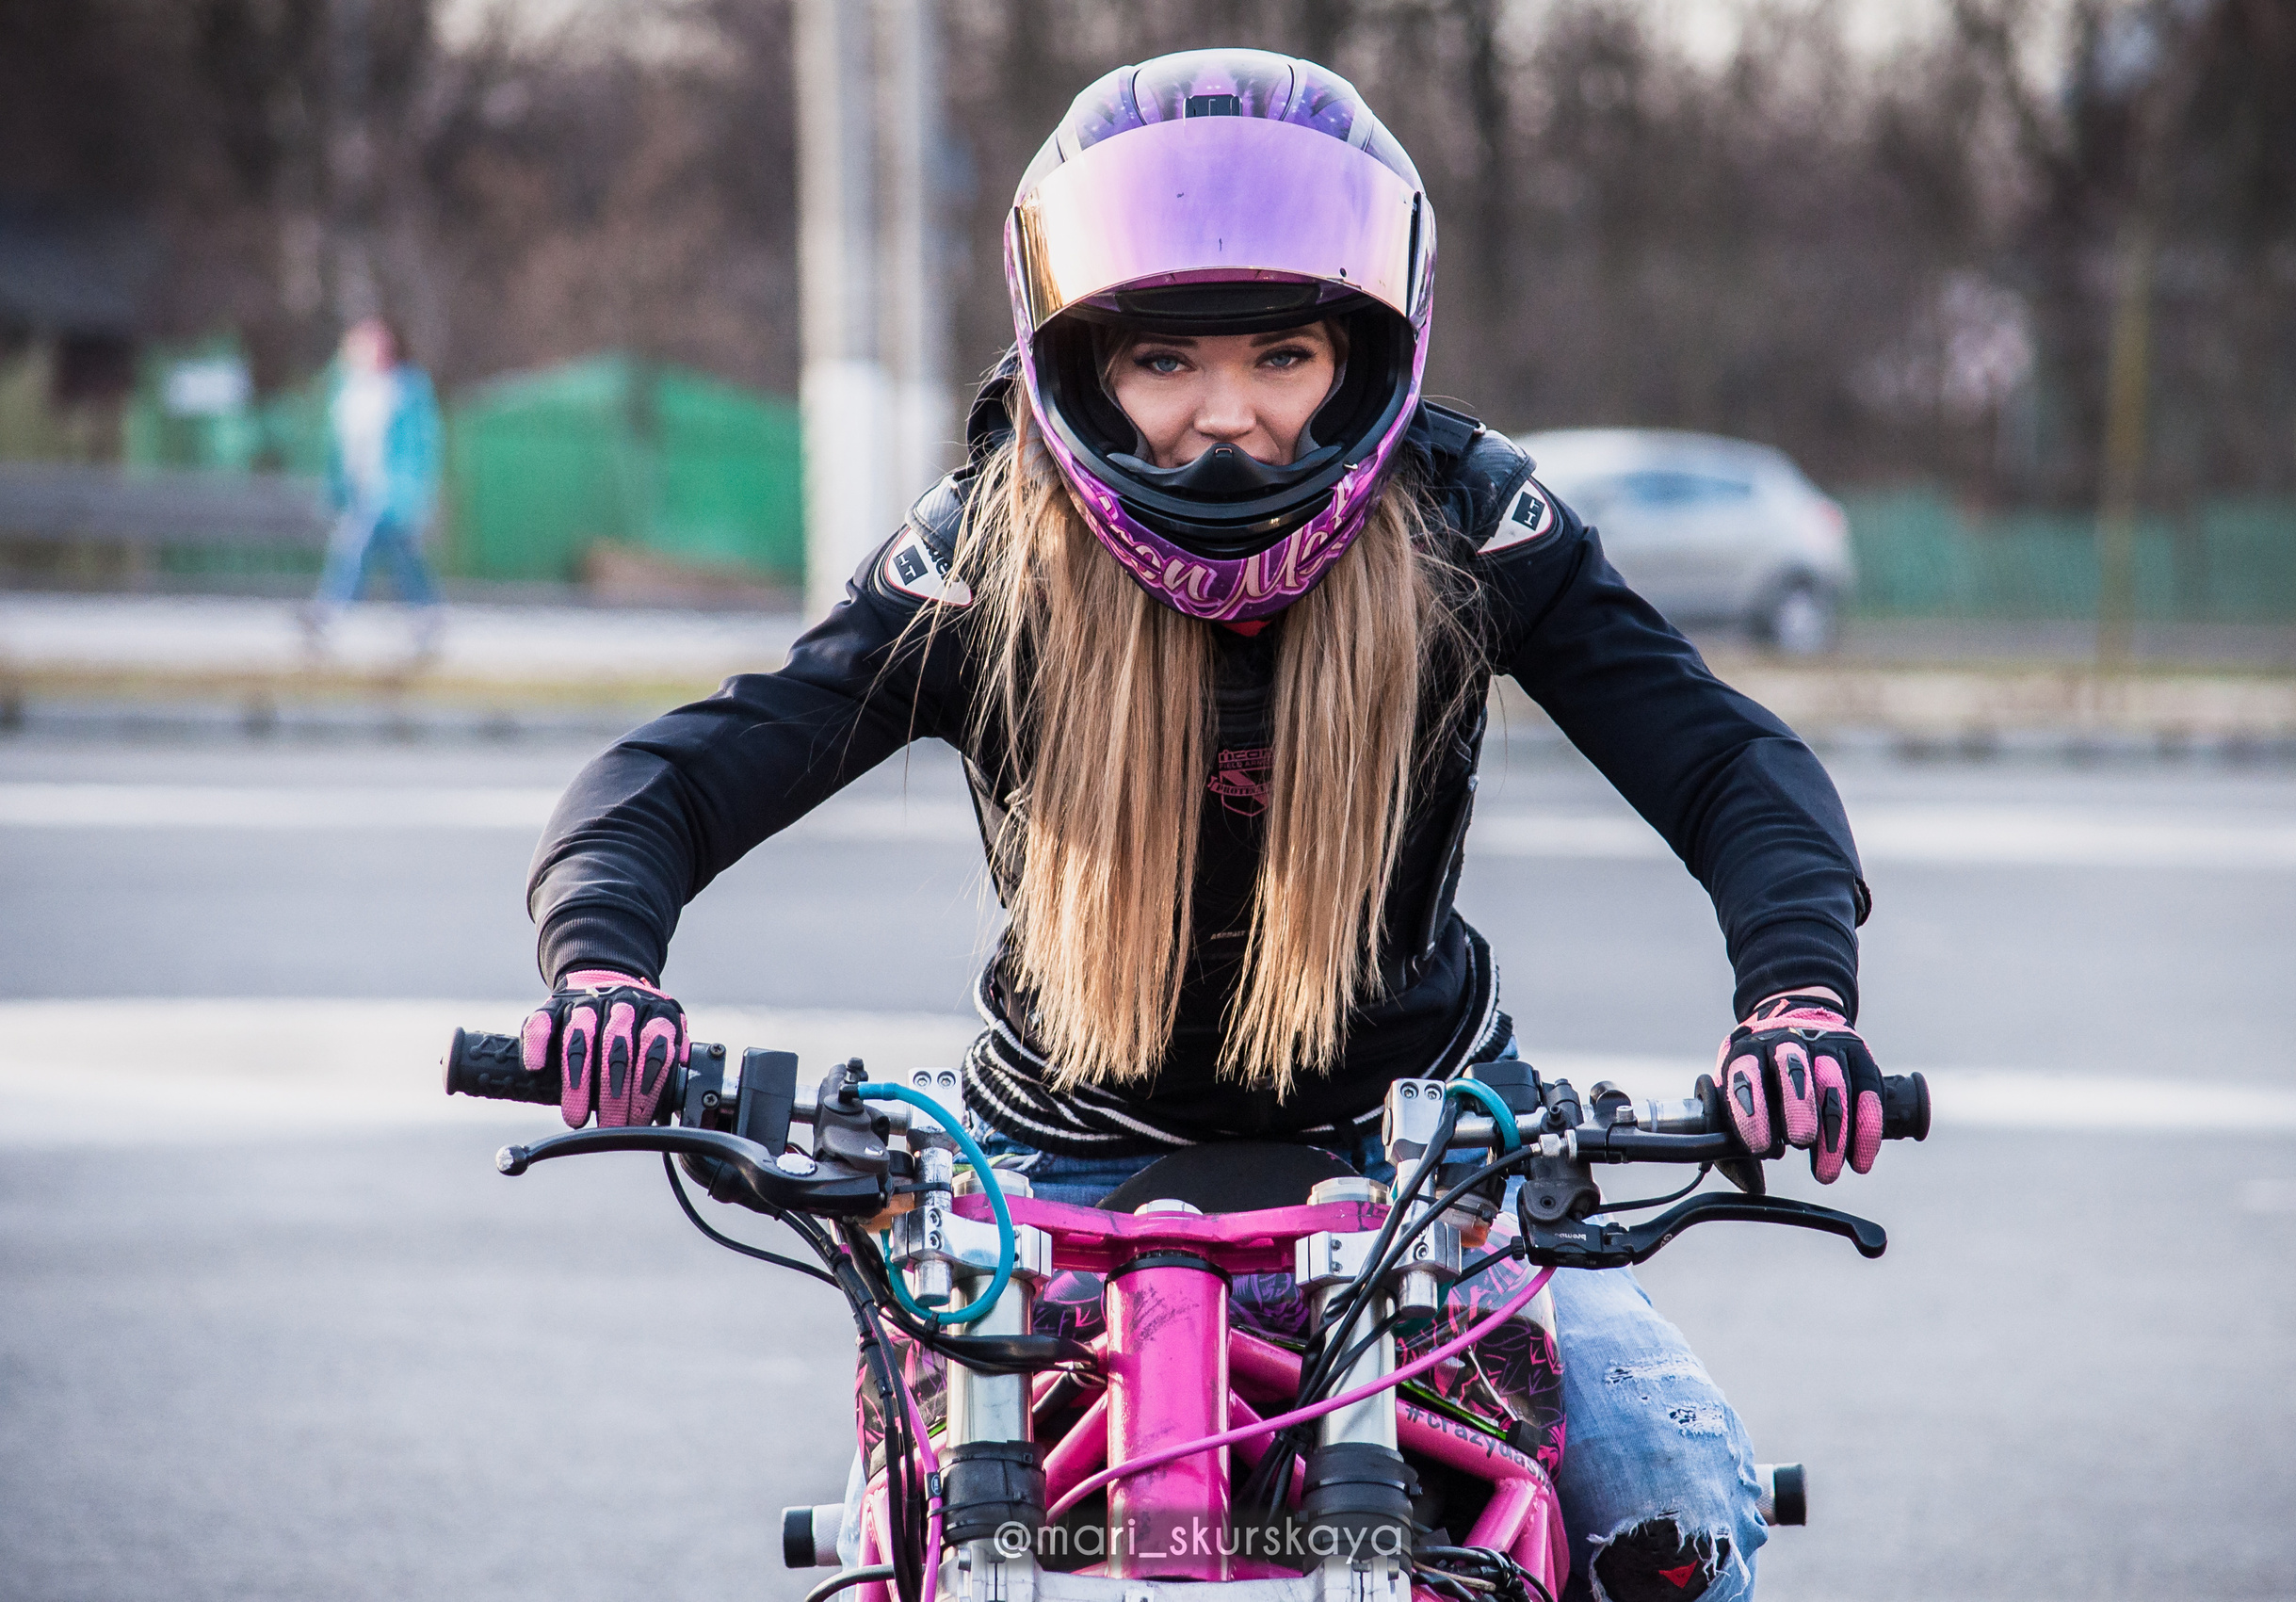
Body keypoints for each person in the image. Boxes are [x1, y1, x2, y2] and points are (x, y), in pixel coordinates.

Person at [518, 50, 1884, 1602]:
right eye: (1166, 364)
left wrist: (1796, 999)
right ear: (1082, 361)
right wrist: (603, 974)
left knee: (1674, 1508)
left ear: (1365, 355)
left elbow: (1729, 766)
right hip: (1044, 1167)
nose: (1224, 420)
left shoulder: (1466, 519)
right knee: (915, 1537)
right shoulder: (991, 553)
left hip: (1427, 1149)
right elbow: (677, 777)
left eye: (1282, 356)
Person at [303, 316, 445, 653]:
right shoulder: (348, 391)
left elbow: (422, 444)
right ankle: (428, 613)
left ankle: (328, 613)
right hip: (360, 491)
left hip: (394, 491)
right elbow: (340, 450)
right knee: (402, 555)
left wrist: (416, 491)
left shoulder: (406, 389)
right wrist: (336, 492)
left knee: (355, 547)